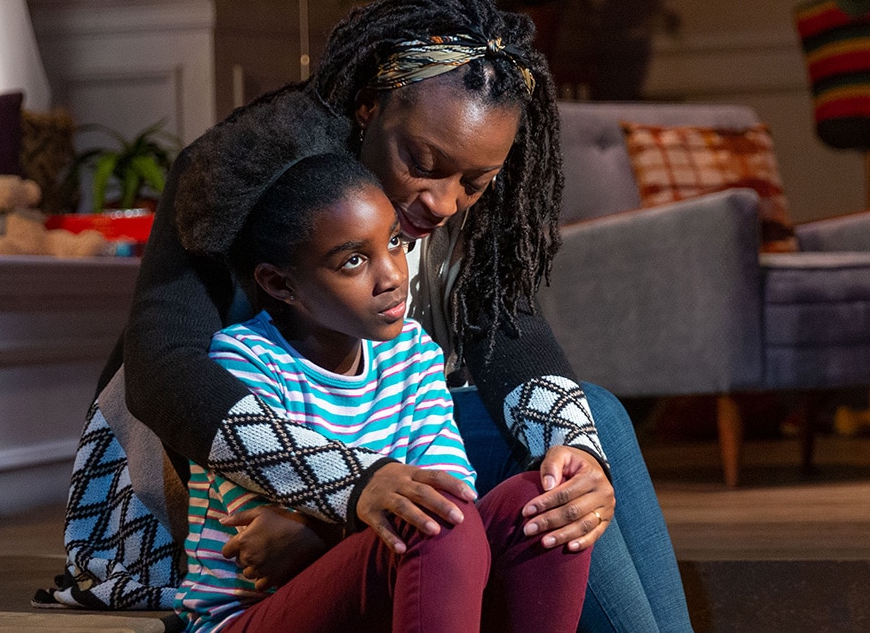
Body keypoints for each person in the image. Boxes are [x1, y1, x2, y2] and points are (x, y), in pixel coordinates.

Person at [46, 0, 692, 631]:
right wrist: (342, 494)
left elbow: (512, 341)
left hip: (367, 445)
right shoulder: (244, 173)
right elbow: (165, 377)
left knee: (586, 435)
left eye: (474, 181)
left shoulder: (459, 193)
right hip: (204, 486)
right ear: (368, 106)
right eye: (422, 161)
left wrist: (581, 463)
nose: (444, 202)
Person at [178, 137, 591, 631]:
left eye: (394, 242)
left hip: (378, 589)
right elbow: (266, 547)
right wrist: (365, 516)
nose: (392, 275)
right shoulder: (245, 359)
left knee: (543, 502)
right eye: (353, 261)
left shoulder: (412, 351)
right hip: (254, 616)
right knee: (435, 524)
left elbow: (447, 490)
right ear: (280, 284)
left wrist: (326, 528)